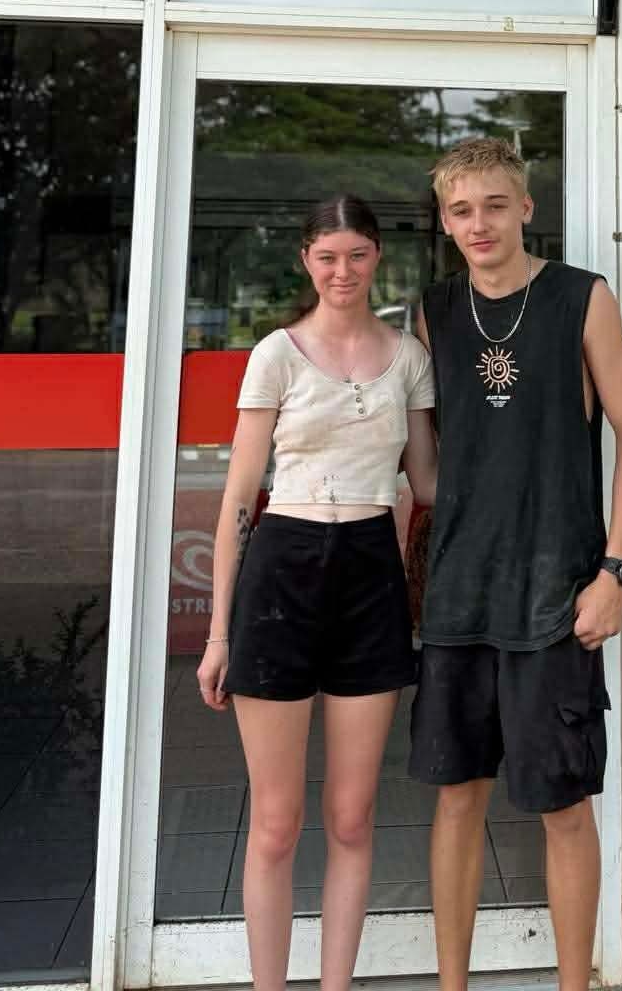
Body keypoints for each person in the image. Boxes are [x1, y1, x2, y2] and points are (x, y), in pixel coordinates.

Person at [408, 137, 622, 991]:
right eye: (461, 210)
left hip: (556, 593)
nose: (479, 223)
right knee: (456, 799)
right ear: (445, 221)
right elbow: (425, 464)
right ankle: (451, 987)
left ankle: (573, 987)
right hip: (457, 595)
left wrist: (615, 572)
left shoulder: (581, 299)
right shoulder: (430, 310)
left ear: (525, 207)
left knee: (561, 805)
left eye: (493, 205)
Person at [197, 195, 437, 991]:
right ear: (307, 258)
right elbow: (238, 495)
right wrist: (220, 633)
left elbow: (429, 481)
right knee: (275, 823)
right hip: (282, 567)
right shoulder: (277, 353)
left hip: (370, 566)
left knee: (351, 818)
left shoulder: (408, 357)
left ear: (378, 259)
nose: (343, 271)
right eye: (328, 256)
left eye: (359, 255)